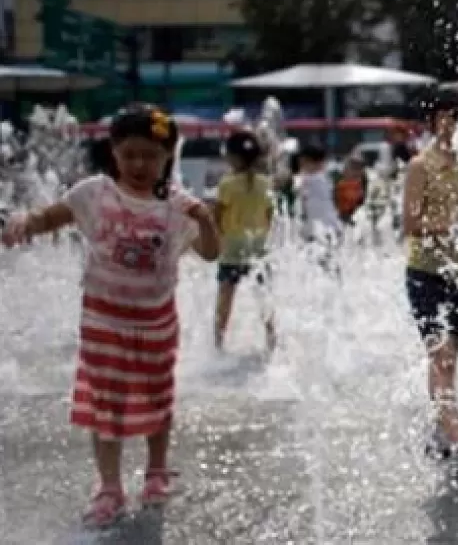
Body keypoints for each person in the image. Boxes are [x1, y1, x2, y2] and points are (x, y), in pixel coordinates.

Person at [1, 104, 220, 528]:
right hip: (104, 320)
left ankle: (156, 472)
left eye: (150, 156)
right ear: (114, 153)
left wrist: (207, 220)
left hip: (156, 322)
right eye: (130, 154)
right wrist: (23, 224)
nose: (140, 164)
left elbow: (211, 254)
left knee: (158, 399)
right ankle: (109, 487)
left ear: (166, 157)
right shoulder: (93, 193)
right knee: (108, 406)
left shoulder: (178, 206)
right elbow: (52, 218)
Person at [401, 82, 458, 467]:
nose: (457, 124)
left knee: (448, 361)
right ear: (436, 120)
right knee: (440, 358)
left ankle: (440, 433)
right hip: (427, 274)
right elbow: (410, 223)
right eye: (451, 117)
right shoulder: (420, 166)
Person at [213, 131, 275, 352]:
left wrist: (214, 238)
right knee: (264, 294)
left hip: (232, 248)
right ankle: (271, 338)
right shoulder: (265, 183)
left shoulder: (227, 184)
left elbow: (217, 215)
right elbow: (270, 215)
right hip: (258, 247)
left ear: (233, 158)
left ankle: (218, 342)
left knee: (226, 295)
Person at [295, 144, 343, 273]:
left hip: (321, 230)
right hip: (331, 227)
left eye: (303, 163)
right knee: (329, 265)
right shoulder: (324, 178)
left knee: (322, 265)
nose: (301, 167)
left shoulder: (310, 180)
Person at [334, 154, 368, 225]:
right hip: (344, 220)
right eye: (354, 168)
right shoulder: (340, 186)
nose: (357, 172)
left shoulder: (363, 185)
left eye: (359, 168)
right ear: (345, 170)